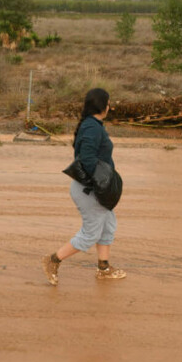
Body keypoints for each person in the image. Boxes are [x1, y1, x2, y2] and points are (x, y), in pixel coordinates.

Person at [42, 87, 127, 286]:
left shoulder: (93, 124)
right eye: (108, 103)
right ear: (103, 106)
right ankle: (53, 260)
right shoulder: (92, 127)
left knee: (108, 225)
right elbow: (87, 159)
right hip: (90, 190)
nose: (109, 106)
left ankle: (104, 268)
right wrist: (101, 184)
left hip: (93, 188)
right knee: (91, 234)